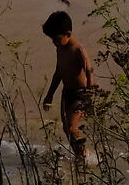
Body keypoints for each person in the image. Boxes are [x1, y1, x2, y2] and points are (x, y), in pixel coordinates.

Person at [41, 9, 96, 167]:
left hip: (80, 94)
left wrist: (89, 97)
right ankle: (81, 154)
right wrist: (49, 95)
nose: (54, 42)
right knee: (66, 128)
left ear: (68, 33)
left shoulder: (78, 50)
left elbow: (89, 71)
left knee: (72, 128)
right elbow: (58, 72)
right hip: (67, 93)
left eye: (57, 38)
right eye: (52, 39)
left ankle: (83, 156)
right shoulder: (60, 48)